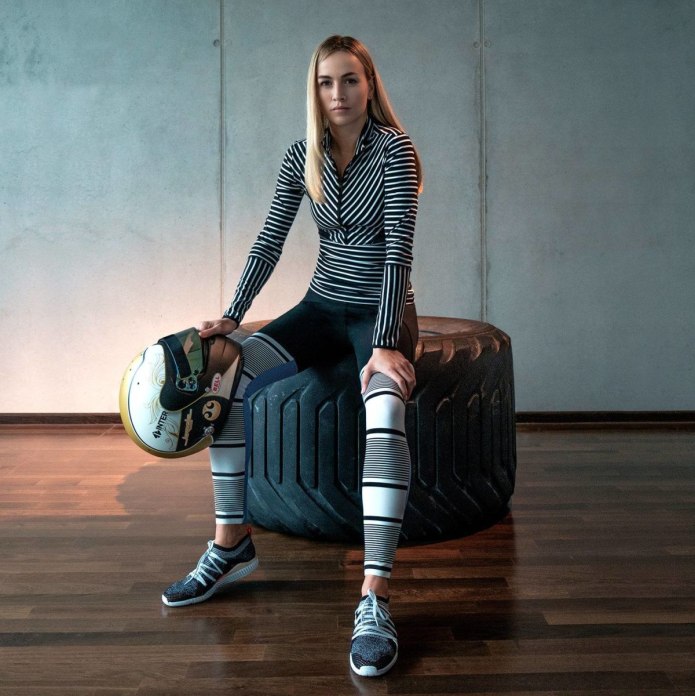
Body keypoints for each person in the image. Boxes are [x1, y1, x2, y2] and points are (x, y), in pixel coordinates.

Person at [161, 34, 423, 678]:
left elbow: (397, 252)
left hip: (381, 312)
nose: (339, 93)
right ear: (315, 90)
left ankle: (375, 595)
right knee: (226, 375)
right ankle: (231, 543)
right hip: (321, 308)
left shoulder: (395, 151)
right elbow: (269, 239)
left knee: (385, 410)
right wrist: (234, 313)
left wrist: (385, 342)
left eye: (350, 79)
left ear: (370, 84)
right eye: (326, 82)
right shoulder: (302, 156)